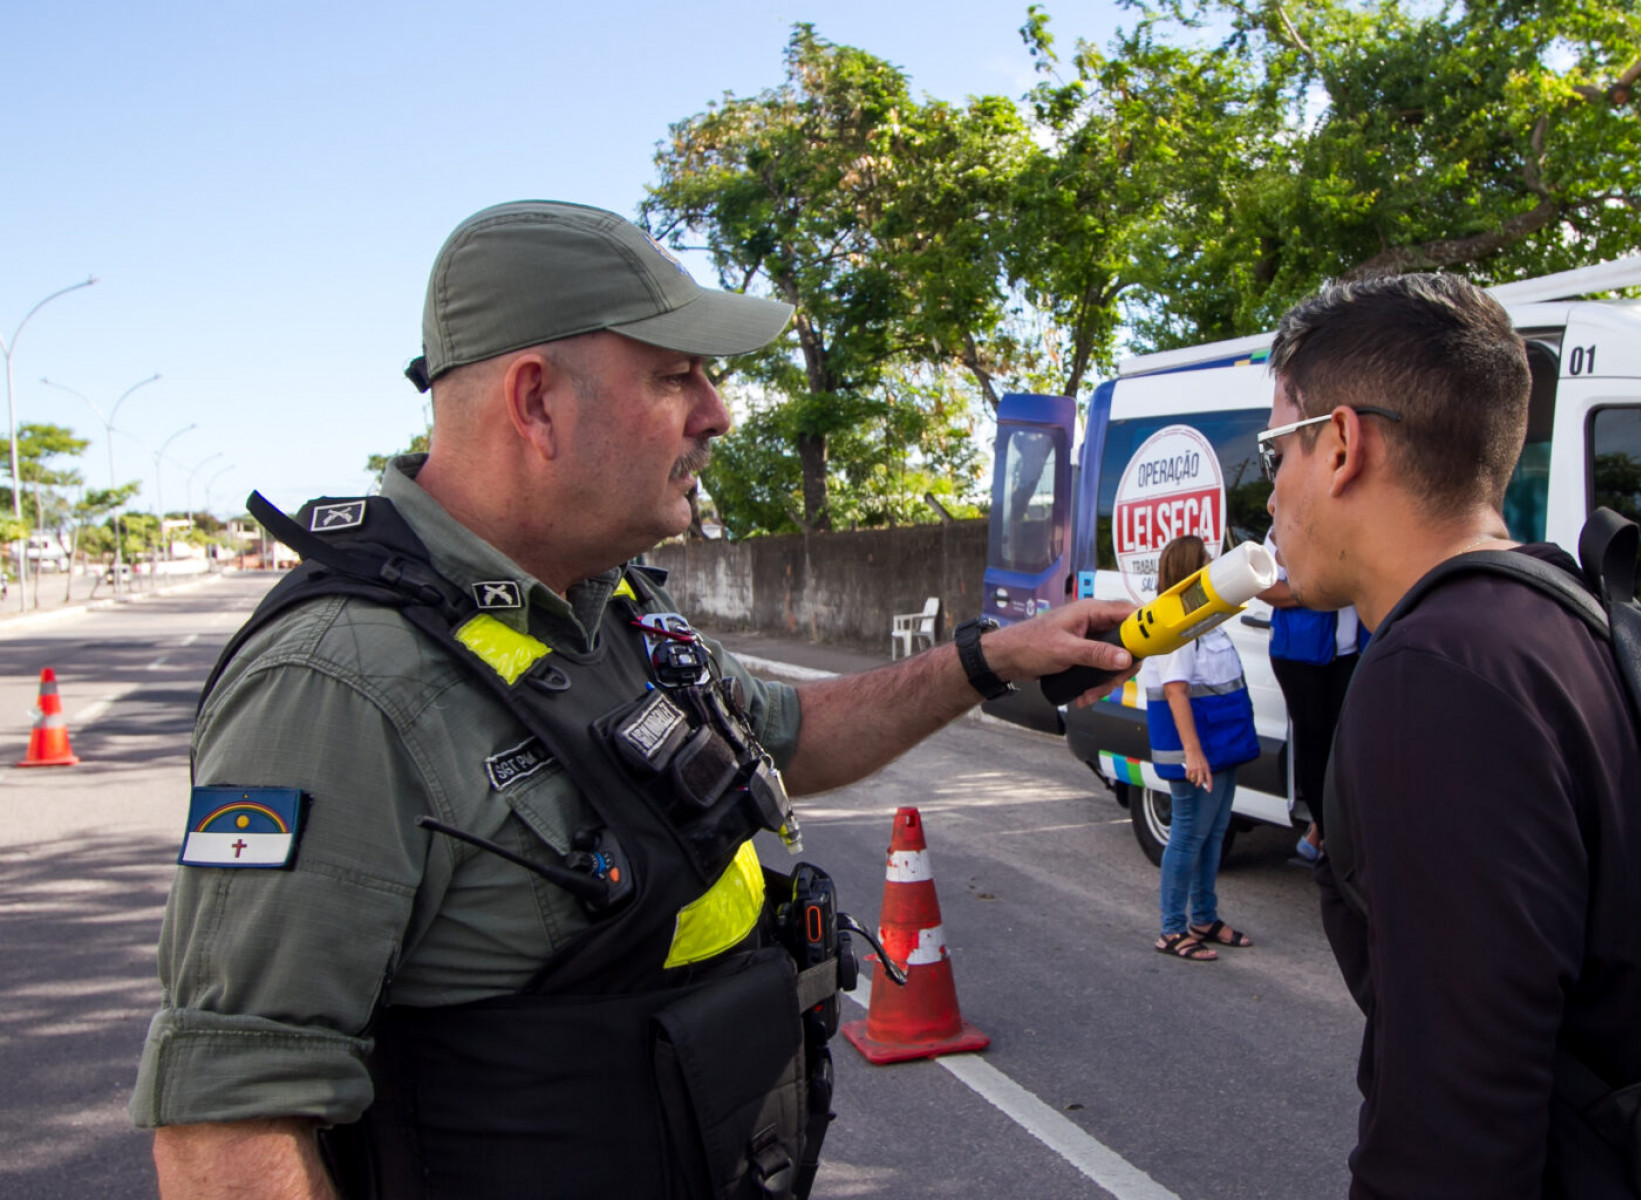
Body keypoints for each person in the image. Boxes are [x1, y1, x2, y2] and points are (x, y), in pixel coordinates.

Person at [128, 199, 1138, 1200]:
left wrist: (992, 658)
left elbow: (785, 737)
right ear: (536, 403)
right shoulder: (334, 687)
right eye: (674, 376)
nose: (718, 412)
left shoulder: (606, 605)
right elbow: (228, 1131)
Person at [1260, 272, 1641, 1198]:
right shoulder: (1568, 614)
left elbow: (1455, 1140)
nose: (1271, 490)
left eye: (1279, 445)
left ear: (1343, 445)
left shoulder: (1435, 677)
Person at [1142, 535, 1260, 962]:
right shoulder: (1175, 623)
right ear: (1191, 569)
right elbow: (1175, 690)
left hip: (1221, 744)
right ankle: (1171, 929)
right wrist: (1193, 753)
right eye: (1206, 562)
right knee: (1189, 835)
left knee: (1214, 831)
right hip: (1198, 749)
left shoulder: (1203, 618)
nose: (1212, 569)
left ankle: (1204, 918)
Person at [1256, 537, 1362, 861]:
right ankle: (1326, 833)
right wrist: (1314, 594)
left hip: (1351, 653)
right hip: (1299, 655)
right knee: (1314, 740)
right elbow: (1263, 587)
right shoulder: (1285, 527)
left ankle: (1328, 829)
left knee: (1348, 742)